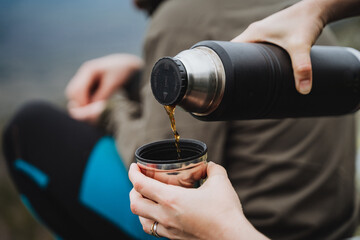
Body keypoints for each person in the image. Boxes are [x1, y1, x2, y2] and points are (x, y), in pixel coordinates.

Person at [2, 0, 359, 239]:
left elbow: (167, 172)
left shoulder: (183, 13)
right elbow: (244, 88)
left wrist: (111, 114)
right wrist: (137, 79)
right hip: (331, 226)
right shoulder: (291, 10)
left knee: (29, 130)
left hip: (247, 227)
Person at [129, 0, 360, 239]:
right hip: (337, 227)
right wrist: (317, 9)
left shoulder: (179, 16)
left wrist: (111, 111)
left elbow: (162, 172)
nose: (134, 5)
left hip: (264, 229)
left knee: (87, 145)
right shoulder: (290, 5)